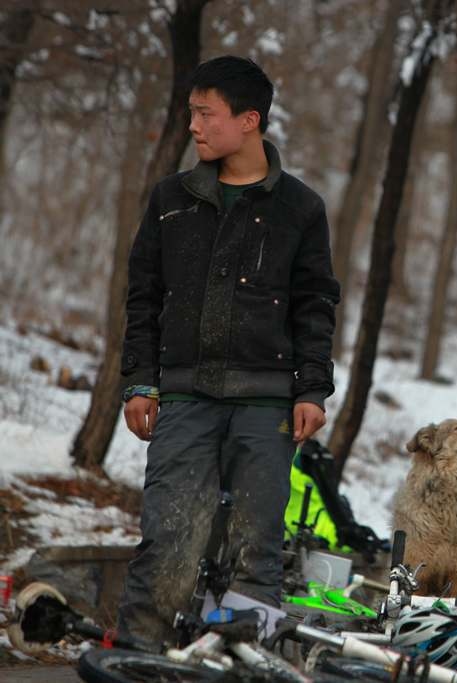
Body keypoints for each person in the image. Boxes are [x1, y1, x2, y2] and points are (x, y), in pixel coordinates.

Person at [117, 56, 340, 643]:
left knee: (255, 546)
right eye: (191, 113)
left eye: (204, 114)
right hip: (185, 397)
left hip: (268, 406)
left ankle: (242, 664)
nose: (193, 126)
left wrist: (312, 389)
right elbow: (142, 297)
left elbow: (315, 305)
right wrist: (140, 381)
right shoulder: (171, 199)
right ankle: (138, 656)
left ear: (248, 121)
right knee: (167, 535)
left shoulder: (300, 208)